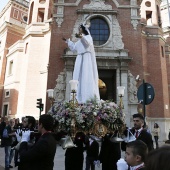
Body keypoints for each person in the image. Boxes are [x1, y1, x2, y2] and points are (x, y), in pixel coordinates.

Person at [62, 22, 100, 103]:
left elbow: (87, 45)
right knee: (78, 76)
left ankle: (88, 97)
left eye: (80, 29)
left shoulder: (88, 37)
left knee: (86, 75)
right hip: (79, 58)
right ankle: (77, 97)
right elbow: (74, 48)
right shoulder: (79, 41)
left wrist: (81, 37)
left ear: (83, 30)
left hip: (86, 58)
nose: (79, 30)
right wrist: (68, 41)